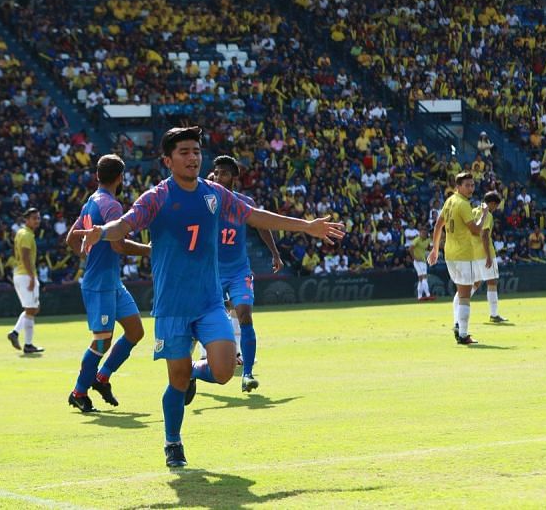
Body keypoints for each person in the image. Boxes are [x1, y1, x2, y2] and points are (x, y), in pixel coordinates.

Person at [74, 126, 345, 468]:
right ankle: (173, 442)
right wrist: (100, 232)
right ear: (167, 160)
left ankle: (193, 377)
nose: (192, 158)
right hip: (172, 307)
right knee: (176, 380)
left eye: (196, 151)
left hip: (208, 301)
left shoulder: (214, 194)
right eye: (184, 152)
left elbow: (256, 216)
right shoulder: (156, 197)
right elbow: (124, 225)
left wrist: (306, 226)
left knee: (223, 370)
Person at [64, 154, 151, 413]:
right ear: (120, 177)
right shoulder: (111, 206)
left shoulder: (92, 201)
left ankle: (101, 378)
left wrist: (87, 251)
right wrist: (149, 251)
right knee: (102, 340)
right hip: (100, 284)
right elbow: (119, 245)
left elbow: (71, 238)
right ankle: (79, 392)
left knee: (135, 331)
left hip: (110, 281)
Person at [210, 155, 283, 393]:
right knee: (202, 318)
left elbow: (262, 226)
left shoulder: (244, 203)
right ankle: (189, 369)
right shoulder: (207, 202)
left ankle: (247, 374)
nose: (219, 177)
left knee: (245, 315)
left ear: (234, 177)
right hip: (212, 271)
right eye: (217, 173)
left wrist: (274, 253)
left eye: (224, 173)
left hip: (239, 270)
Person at [427, 172, 489, 345]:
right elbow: (476, 230)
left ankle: (457, 323)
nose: (471, 188)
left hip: (450, 254)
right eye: (467, 185)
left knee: (475, 282)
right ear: (458, 186)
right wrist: (484, 214)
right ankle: (462, 334)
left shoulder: (449, 201)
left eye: (472, 185)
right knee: (464, 295)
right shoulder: (462, 204)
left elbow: (439, 225)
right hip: (462, 254)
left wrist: (435, 249)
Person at [7, 207, 44, 354]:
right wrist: (31, 277)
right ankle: (17, 335)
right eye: (34, 218)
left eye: (38, 218)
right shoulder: (26, 235)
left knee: (33, 308)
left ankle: (25, 342)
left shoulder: (22, 233)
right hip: (25, 275)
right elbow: (25, 257)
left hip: (21, 274)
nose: (37, 221)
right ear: (26, 220)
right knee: (31, 309)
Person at [471, 191, 508, 323]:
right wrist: (488, 256)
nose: (496, 208)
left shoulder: (474, 210)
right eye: (496, 205)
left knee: (476, 282)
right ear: (492, 203)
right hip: (484, 252)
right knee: (492, 282)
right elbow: (485, 235)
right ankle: (494, 314)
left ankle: (460, 303)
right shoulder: (487, 214)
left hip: (473, 252)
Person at [409, 227, 434, 301]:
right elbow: (410, 248)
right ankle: (428, 295)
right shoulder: (417, 240)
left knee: (420, 279)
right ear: (420, 233)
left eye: (425, 233)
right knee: (424, 277)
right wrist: (414, 258)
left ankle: (419, 297)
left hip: (423, 261)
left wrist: (431, 246)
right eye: (422, 233)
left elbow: (430, 247)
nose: (423, 234)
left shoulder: (428, 240)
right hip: (418, 261)